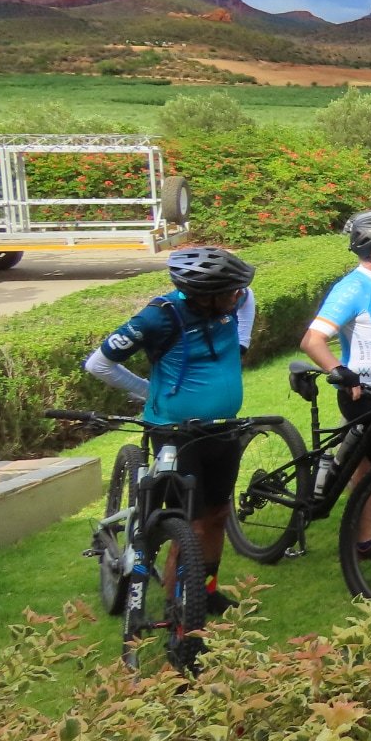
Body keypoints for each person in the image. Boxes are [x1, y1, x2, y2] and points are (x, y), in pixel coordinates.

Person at [85, 245, 257, 615]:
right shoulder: (157, 317)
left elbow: (247, 297)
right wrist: (149, 391)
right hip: (175, 434)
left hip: (222, 429)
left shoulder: (234, 299)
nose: (238, 296)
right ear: (203, 295)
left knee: (218, 515)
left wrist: (241, 342)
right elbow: (99, 364)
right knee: (189, 526)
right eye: (230, 292)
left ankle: (206, 591)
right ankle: (177, 603)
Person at [299, 216, 371, 565]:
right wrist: (341, 372)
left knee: (364, 471)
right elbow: (312, 340)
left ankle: (363, 539)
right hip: (366, 395)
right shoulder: (353, 288)